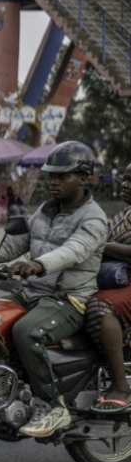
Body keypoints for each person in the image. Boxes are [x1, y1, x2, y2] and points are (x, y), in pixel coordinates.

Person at [0, 141, 107, 437]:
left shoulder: (93, 217)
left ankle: (53, 406)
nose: (53, 181)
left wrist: (39, 265)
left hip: (69, 299)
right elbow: (10, 246)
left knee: (26, 332)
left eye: (62, 176)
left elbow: (74, 251)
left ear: (83, 178)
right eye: (51, 176)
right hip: (33, 292)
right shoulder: (45, 211)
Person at [84, 161, 131, 412]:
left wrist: (99, 245)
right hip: (115, 278)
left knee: (99, 307)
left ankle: (121, 385)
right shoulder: (123, 215)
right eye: (123, 179)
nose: (125, 185)